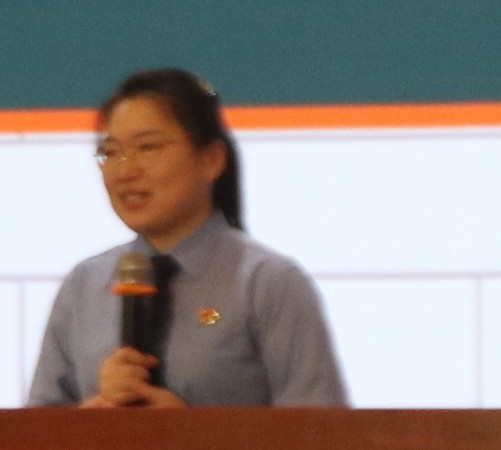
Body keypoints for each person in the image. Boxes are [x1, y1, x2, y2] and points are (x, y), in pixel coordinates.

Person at [26, 67, 349, 408]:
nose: (125, 171)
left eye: (148, 147)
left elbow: (320, 430)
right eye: (110, 152)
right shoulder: (84, 286)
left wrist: (192, 430)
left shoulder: (268, 282)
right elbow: (33, 434)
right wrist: (89, 418)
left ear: (211, 160)